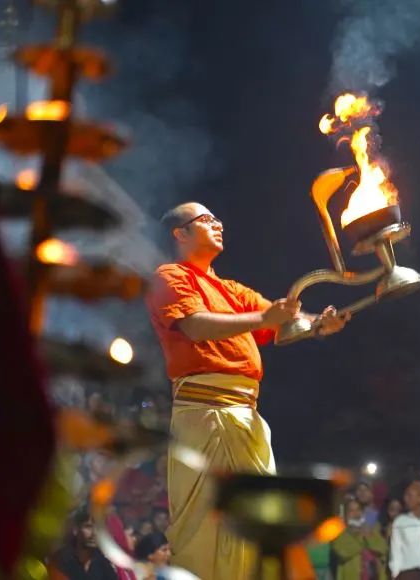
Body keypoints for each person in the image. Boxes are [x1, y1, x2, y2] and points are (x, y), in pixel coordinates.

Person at [145, 202, 350, 579]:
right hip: (205, 414)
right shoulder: (169, 276)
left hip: (245, 415)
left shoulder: (230, 288)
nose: (218, 224)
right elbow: (194, 326)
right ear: (181, 233)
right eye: (206, 220)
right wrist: (264, 319)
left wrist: (318, 323)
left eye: (218, 218)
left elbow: (280, 321)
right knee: (208, 528)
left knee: (258, 522)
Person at [389, 479, 420, 580]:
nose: (406, 499)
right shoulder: (400, 521)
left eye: (409, 496)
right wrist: (395, 573)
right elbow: (396, 549)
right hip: (407, 573)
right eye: (405, 495)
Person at [331, 498, 389, 580]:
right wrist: (359, 535)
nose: (356, 514)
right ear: (346, 515)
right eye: (352, 511)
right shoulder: (339, 532)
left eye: (358, 509)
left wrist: (368, 535)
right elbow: (344, 552)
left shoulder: (372, 527)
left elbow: (383, 548)